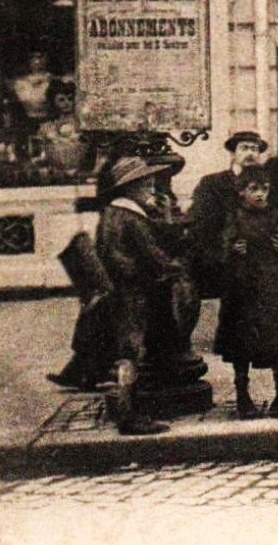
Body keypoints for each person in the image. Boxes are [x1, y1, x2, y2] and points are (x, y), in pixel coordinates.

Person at [93, 156, 188, 435]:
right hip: (131, 294)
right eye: (144, 182)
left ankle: (124, 409)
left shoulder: (113, 214)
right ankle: (128, 415)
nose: (151, 186)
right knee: (130, 353)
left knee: (126, 352)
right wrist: (174, 269)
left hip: (118, 293)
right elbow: (150, 255)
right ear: (130, 188)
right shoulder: (130, 218)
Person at [215, 166, 278, 418]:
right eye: (253, 189)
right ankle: (243, 398)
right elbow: (221, 252)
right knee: (241, 345)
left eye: (264, 189)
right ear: (241, 192)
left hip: (273, 288)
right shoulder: (233, 219)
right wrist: (232, 250)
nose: (260, 194)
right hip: (242, 291)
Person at [188, 129, 270, 298]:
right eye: (244, 148)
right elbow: (203, 226)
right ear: (233, 153)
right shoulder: (212, 183)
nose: (250, 153)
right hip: (225, 259)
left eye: (255, 149)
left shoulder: (268, 183)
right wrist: (228, 246)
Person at [36, 77, 92, 180]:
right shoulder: (48, 126)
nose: (67, 103)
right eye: (61, 100)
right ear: (53, 102)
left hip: (81, 173)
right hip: (56, 174)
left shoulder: (82, 124)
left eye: (70, 99)